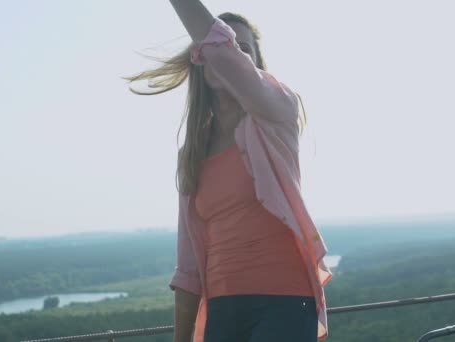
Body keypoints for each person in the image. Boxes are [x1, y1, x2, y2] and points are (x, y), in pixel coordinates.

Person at [127, 1, 332, 341]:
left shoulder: (276, 114)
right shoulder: (193, 153)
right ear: (200, 60)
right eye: (224, 45)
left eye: (243, 49)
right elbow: (189, 265)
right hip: (223, 309)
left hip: (285, 300)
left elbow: (223, 53)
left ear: (255, 66)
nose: (230, 53)